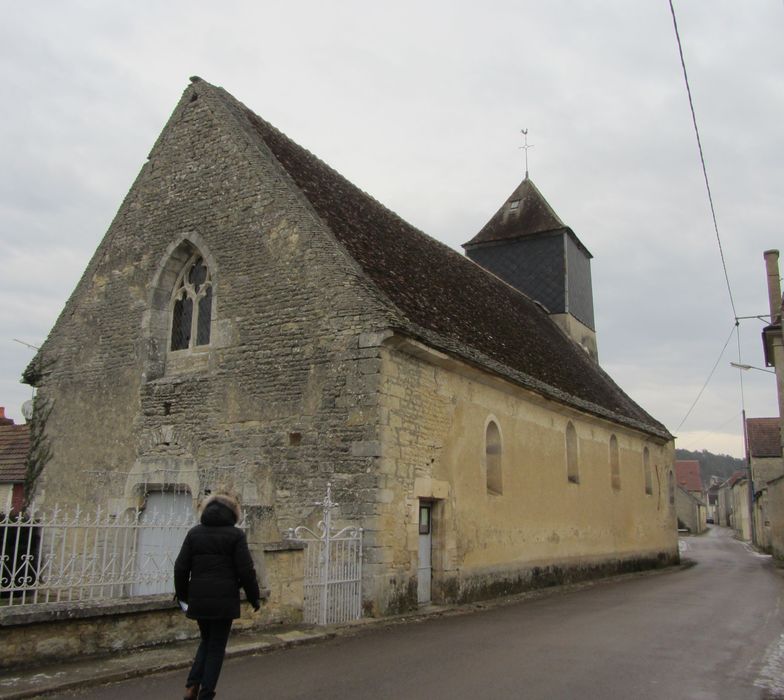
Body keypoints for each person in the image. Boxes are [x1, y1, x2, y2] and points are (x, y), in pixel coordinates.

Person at [174, 493, 262, 700]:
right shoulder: (235, 535)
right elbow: (246, 571)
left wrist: (183, 596)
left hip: (199, 598)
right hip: (224, 600)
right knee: (216, 647)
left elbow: (180, 568)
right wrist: (254, 597)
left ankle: (192, 685)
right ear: (233, 514)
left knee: (207, 640)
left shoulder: (194, 533)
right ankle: (206, 693)